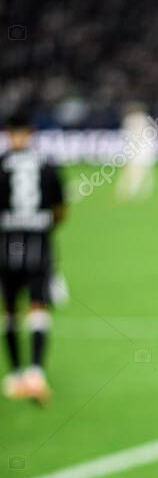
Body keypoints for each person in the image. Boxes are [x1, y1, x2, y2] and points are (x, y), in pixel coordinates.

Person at [0, 111, 66, 403]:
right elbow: (61, 208)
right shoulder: (46, 164)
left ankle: (15, 375)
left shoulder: (1, 165)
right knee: (38, 307)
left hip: (5, 246)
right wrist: (44, 227)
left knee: (9, 310)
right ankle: (35, 372)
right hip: (39, 245)